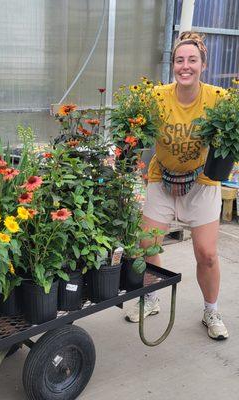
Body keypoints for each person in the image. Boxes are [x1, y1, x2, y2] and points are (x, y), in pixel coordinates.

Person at [125, 31, 229, 340]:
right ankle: (152, 297)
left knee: (207, 253)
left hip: (203, 180)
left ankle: (211, 309)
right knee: (147, 243)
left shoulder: (217, 98)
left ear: (203, 65)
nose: (185, 66)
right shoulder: (156, 96)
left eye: (192, 60)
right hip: (163, 177)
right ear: (173, 64)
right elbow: (132, 123)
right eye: (179, 60)